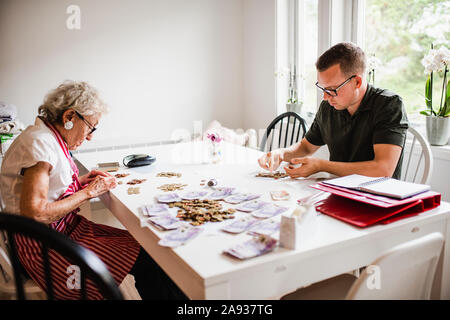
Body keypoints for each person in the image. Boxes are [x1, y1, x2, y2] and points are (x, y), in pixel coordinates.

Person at [0, 81, 186, 300]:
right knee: (151, 259)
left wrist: (80, 182)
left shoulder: (47, 137)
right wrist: (88, 192)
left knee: (149, 248)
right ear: (69, 117)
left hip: (61, 232)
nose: (90, 136)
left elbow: (50, 188)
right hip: (43, 248)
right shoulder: (40, 144)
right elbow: (36, 213)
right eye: (91, 127)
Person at [258, 42, 409, 179]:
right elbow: (306, 146)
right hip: (338, 191)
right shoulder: (329, 106)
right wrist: (281, 153)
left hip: (379, 199)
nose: (325, 97)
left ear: (357, 82)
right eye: (322, 88)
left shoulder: (389, 105)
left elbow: (382, 170)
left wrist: (321, 165)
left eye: (331, 89)